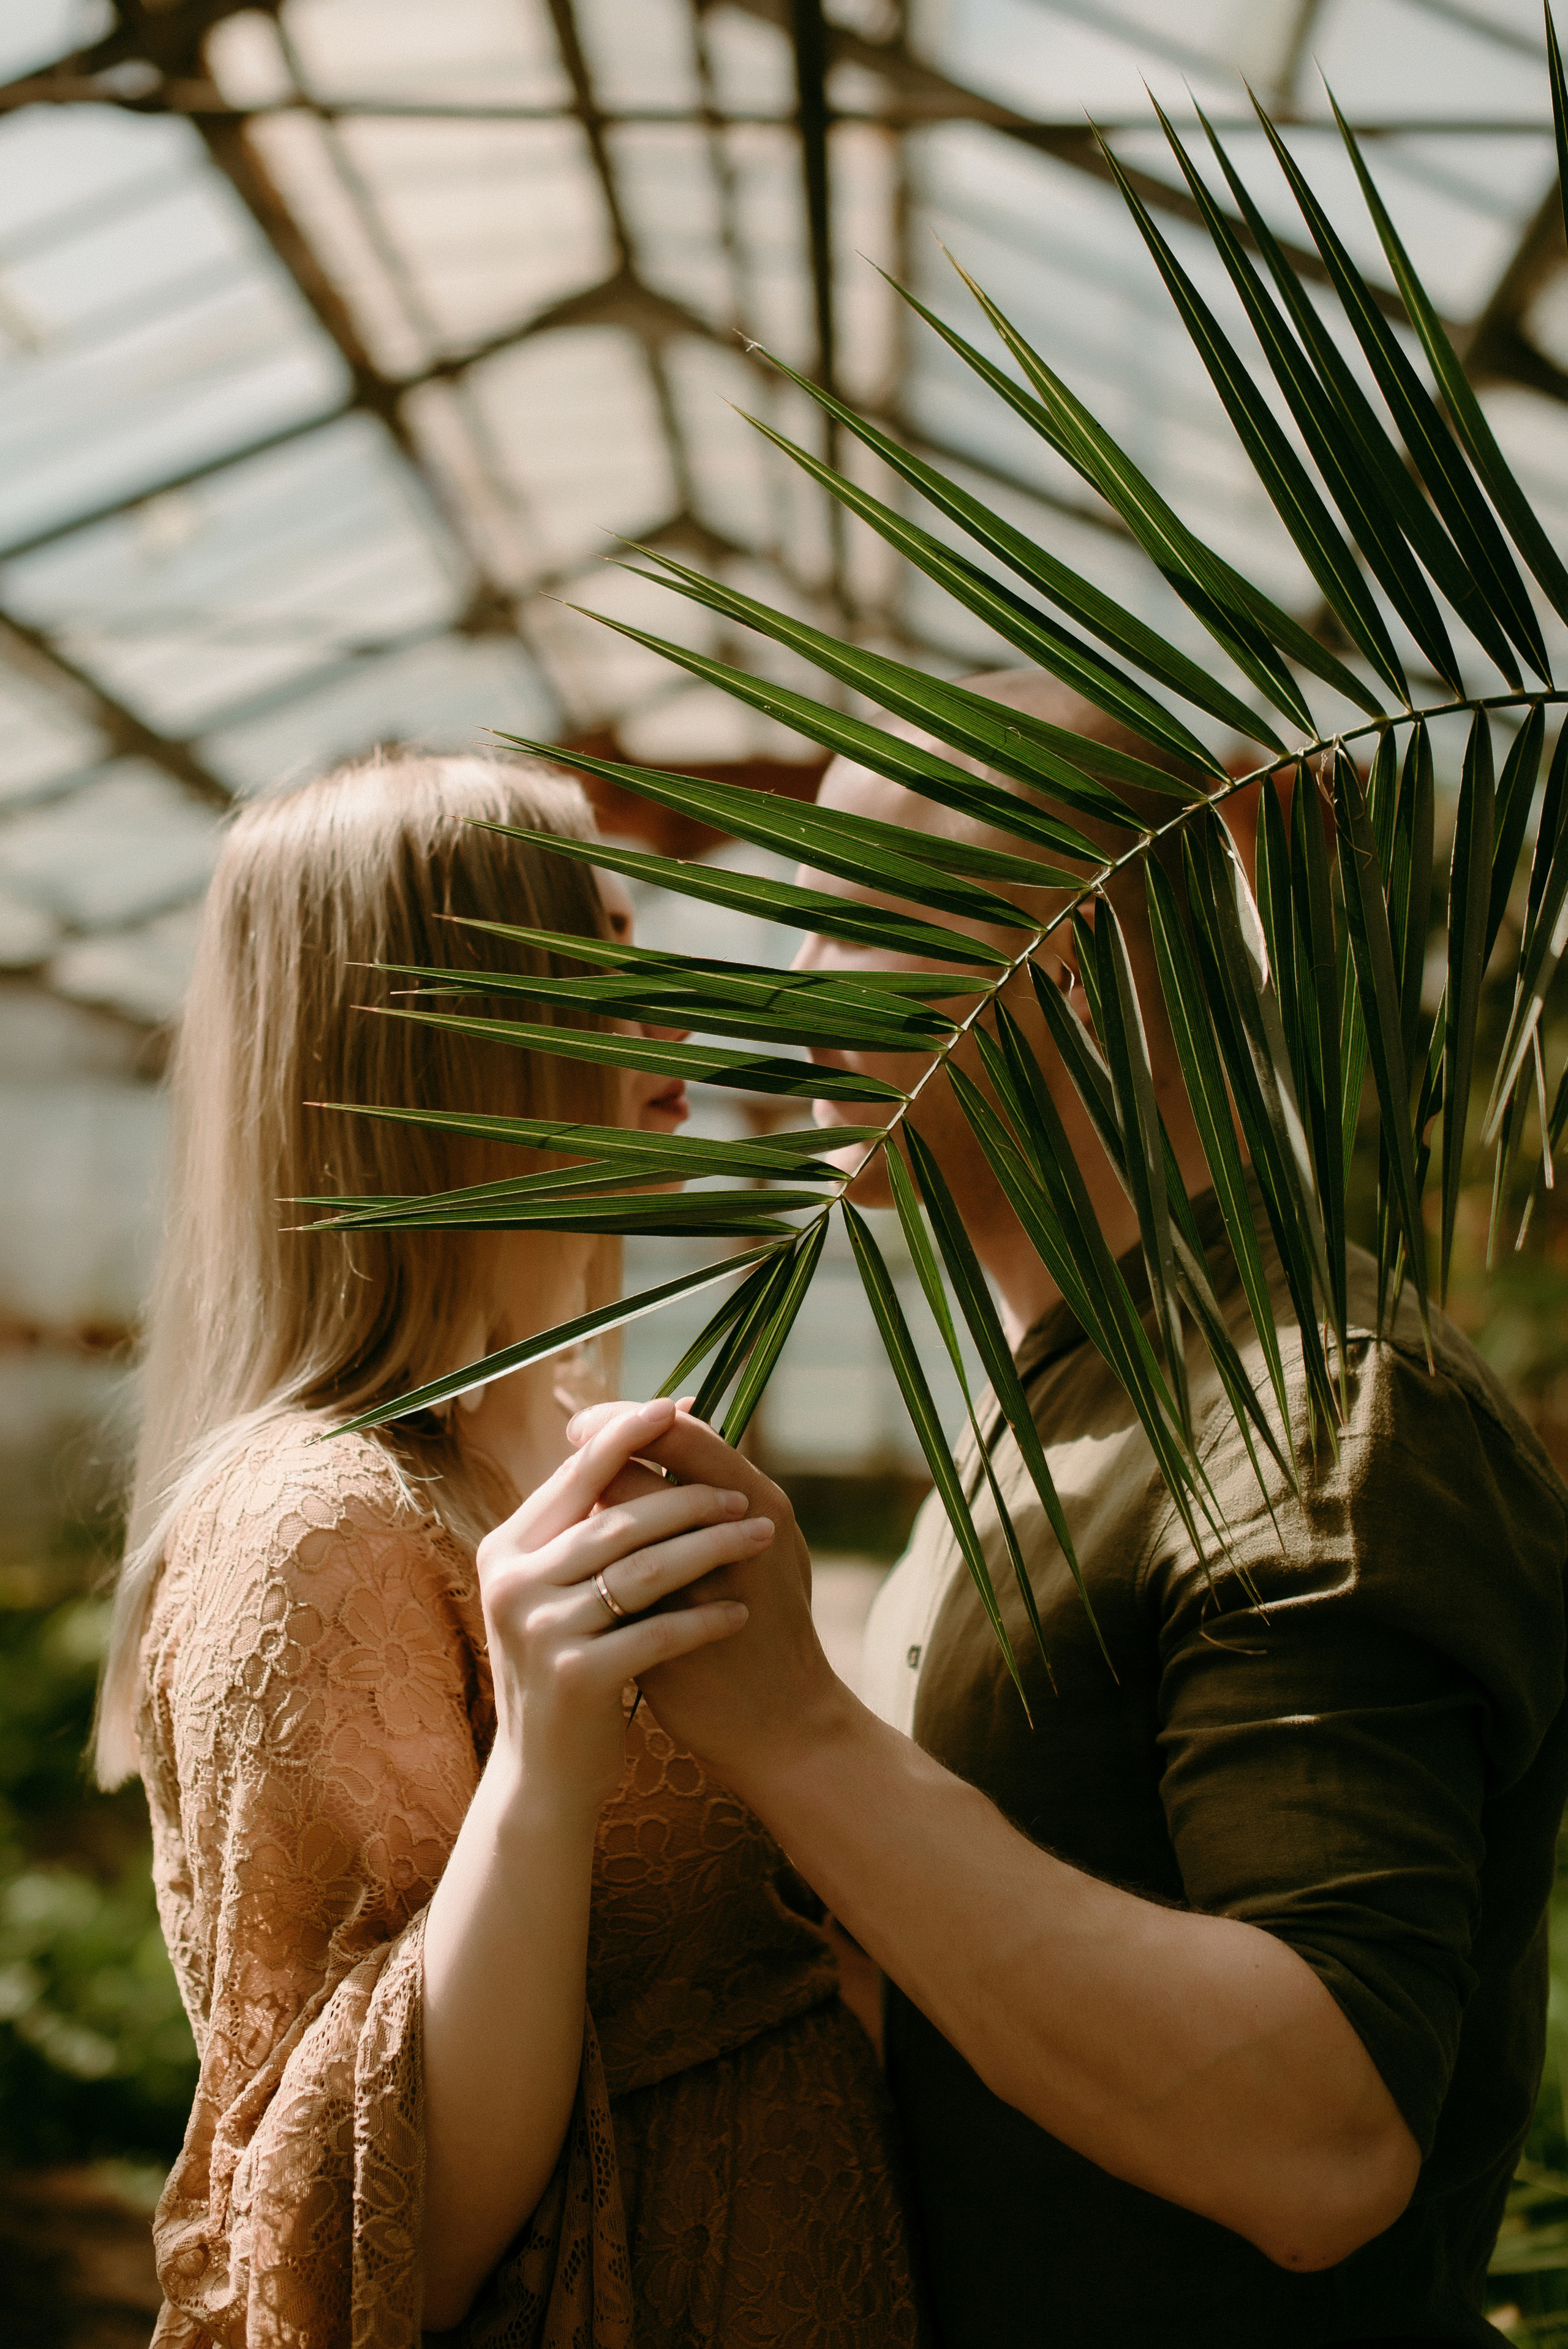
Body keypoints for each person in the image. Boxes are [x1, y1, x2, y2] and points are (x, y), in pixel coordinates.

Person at [560, 672, 1568, 2348]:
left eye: (857, 914)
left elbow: (1322, 2139)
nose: (793, 976)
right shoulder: (1058, 1403)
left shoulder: (1315, 1407)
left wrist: (801, 1733)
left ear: (1086, 969)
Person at [97, 752, 924, 2348]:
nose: (673, 1009)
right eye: (602, 964)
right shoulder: (322, 1523)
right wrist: (548, 1764)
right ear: (446, 1032)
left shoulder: (558, 1429)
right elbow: (368, 2236)